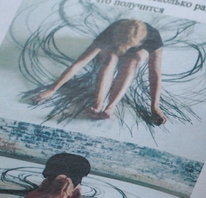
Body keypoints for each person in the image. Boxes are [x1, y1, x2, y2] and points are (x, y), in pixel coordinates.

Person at [30, 19, 166, 123]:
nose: (124, 50)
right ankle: (98, 105)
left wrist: (155, 106)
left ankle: (111, 107)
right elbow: (79, 63)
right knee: (110, 59)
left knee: (131, 62)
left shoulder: (153, 38)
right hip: (113, 47)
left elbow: (155, 74)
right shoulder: (111, 31)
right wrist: (52, 89)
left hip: (138, 52)